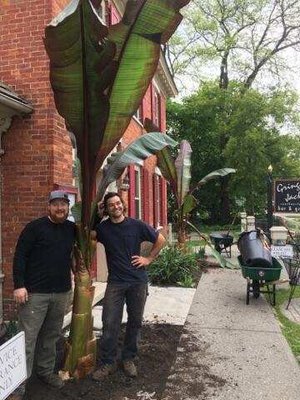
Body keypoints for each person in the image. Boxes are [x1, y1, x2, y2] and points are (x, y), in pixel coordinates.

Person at [9, 190, 76, 400]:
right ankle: (19, 382)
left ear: (68, 207)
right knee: (27, 339)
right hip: (35, 294)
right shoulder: (34, 228)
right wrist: (19, 285)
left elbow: (89, 234)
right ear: (48, 206)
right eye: (55, 204)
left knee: (51, 336)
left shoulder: (71, 229)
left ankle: (45, 372)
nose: (60, 208)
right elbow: (20, 256)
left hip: (61, 292)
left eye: (63, 205)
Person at [92, 192, 166, 380]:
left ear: (123, 205)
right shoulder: (103, 229)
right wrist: (97, 217)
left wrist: (148, 258)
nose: (115, 207)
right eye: (111, 205)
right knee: (109, 322)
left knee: (135, 321)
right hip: (115, 282)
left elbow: (161, 239)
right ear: (107, 209)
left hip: (137, 281)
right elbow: (89, 236)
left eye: (118, 203)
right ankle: (108, 362)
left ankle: (128, 358)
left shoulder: (136, 225)